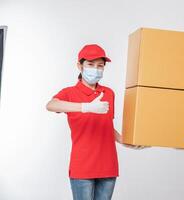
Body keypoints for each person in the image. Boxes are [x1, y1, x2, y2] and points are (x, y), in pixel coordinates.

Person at [46, 44, 141, 200]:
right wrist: (85, 107)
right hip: (83, 167)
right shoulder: (69, 92)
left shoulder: (108, 93)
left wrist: (127, 141)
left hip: (108, 165)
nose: (96, 69)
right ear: (79, 65)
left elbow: (107, 127)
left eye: (100, 66)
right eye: (90, 64)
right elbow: (51, 105)